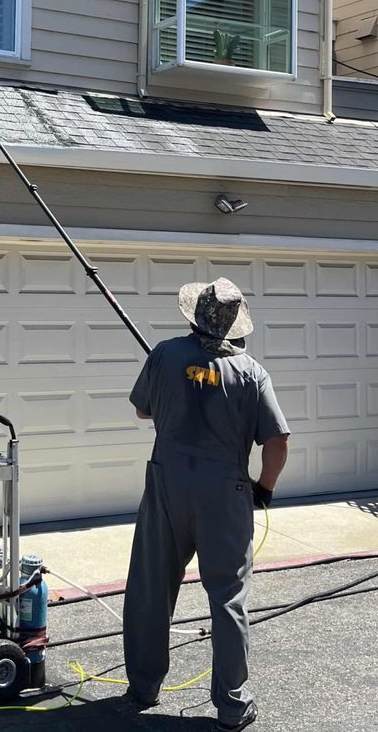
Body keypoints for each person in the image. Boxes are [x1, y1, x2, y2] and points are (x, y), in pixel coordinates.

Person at [123, 277, 290, 732]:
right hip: (225, 491)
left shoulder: (164, 355)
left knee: (151, 587)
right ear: (236, 325)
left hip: (168, 485)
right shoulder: (253, 372)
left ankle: (142, 687)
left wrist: (176, 391)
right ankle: (233, 706)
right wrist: (265, 488)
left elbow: (142, 411)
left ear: (195, 315)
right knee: (228, 598)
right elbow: (276, 441)